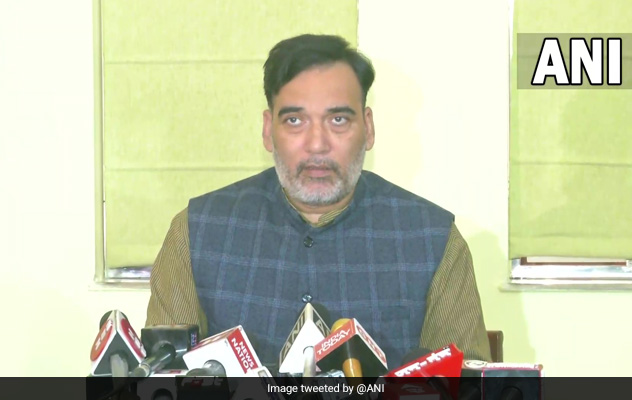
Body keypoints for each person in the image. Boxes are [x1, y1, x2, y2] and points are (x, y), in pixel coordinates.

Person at [146, 34, 491, 369]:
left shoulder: (433, 239)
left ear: (368, 128)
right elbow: (162, 377)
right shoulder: (196, 231)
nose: (316, 144)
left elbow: (469, 384)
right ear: (268, 130)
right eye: (295, 121)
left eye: (338, 120)